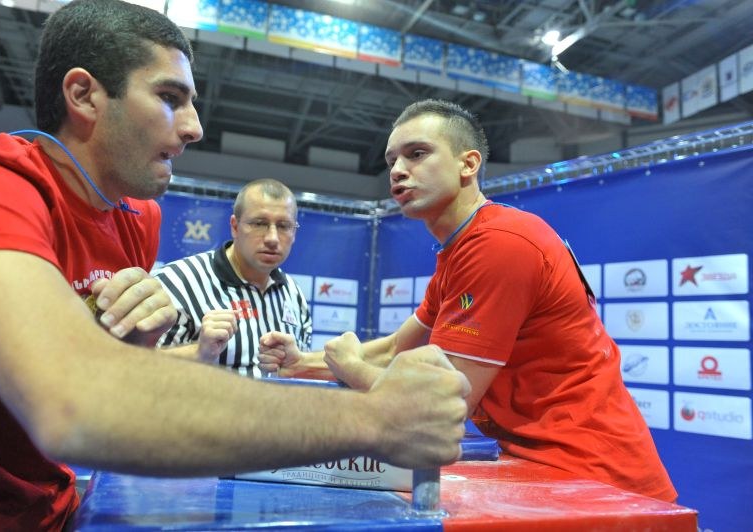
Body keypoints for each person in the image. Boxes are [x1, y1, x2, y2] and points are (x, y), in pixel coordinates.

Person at [0, 3, 470, 529]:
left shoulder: (136, 218)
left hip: (53, 507)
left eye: (190, 103)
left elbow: (116, 385)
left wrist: (136, 350)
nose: (195, 127)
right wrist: (376, 419)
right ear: (84, 95)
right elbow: (72, 403)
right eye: (169, 98)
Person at [259, 99, 678, 503]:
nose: (399, 171)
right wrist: (304, 364)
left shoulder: (498, 244)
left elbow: (443, 408)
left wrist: (349, 367)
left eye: (417, 153)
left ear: (468, 163)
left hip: (601, 484)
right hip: (550, 472)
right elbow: (395, 348)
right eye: (392, 161)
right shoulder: (462, 249)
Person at [155, 178, 311, 376]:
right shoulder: (177, 282)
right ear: (235, 227)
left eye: (283, 226)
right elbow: (140, 366)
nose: (272, 238)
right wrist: (199, 352)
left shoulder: (295, 295)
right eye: (259, 224)